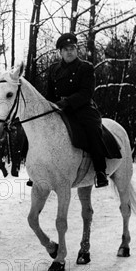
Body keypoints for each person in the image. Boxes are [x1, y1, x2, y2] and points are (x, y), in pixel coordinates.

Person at [46, 33, 109, 188]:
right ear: (60, 52)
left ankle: (100, 171)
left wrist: (67, 102)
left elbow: (86, 92)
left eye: (72, 48)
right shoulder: (54, 69)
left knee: (93, 129)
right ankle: (38, 169)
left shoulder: (85, 67)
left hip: (82, 108)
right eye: (66, 49)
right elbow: (48, 94)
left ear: (76, 50)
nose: (69, 52)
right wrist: (49, 106)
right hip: (59, 109)